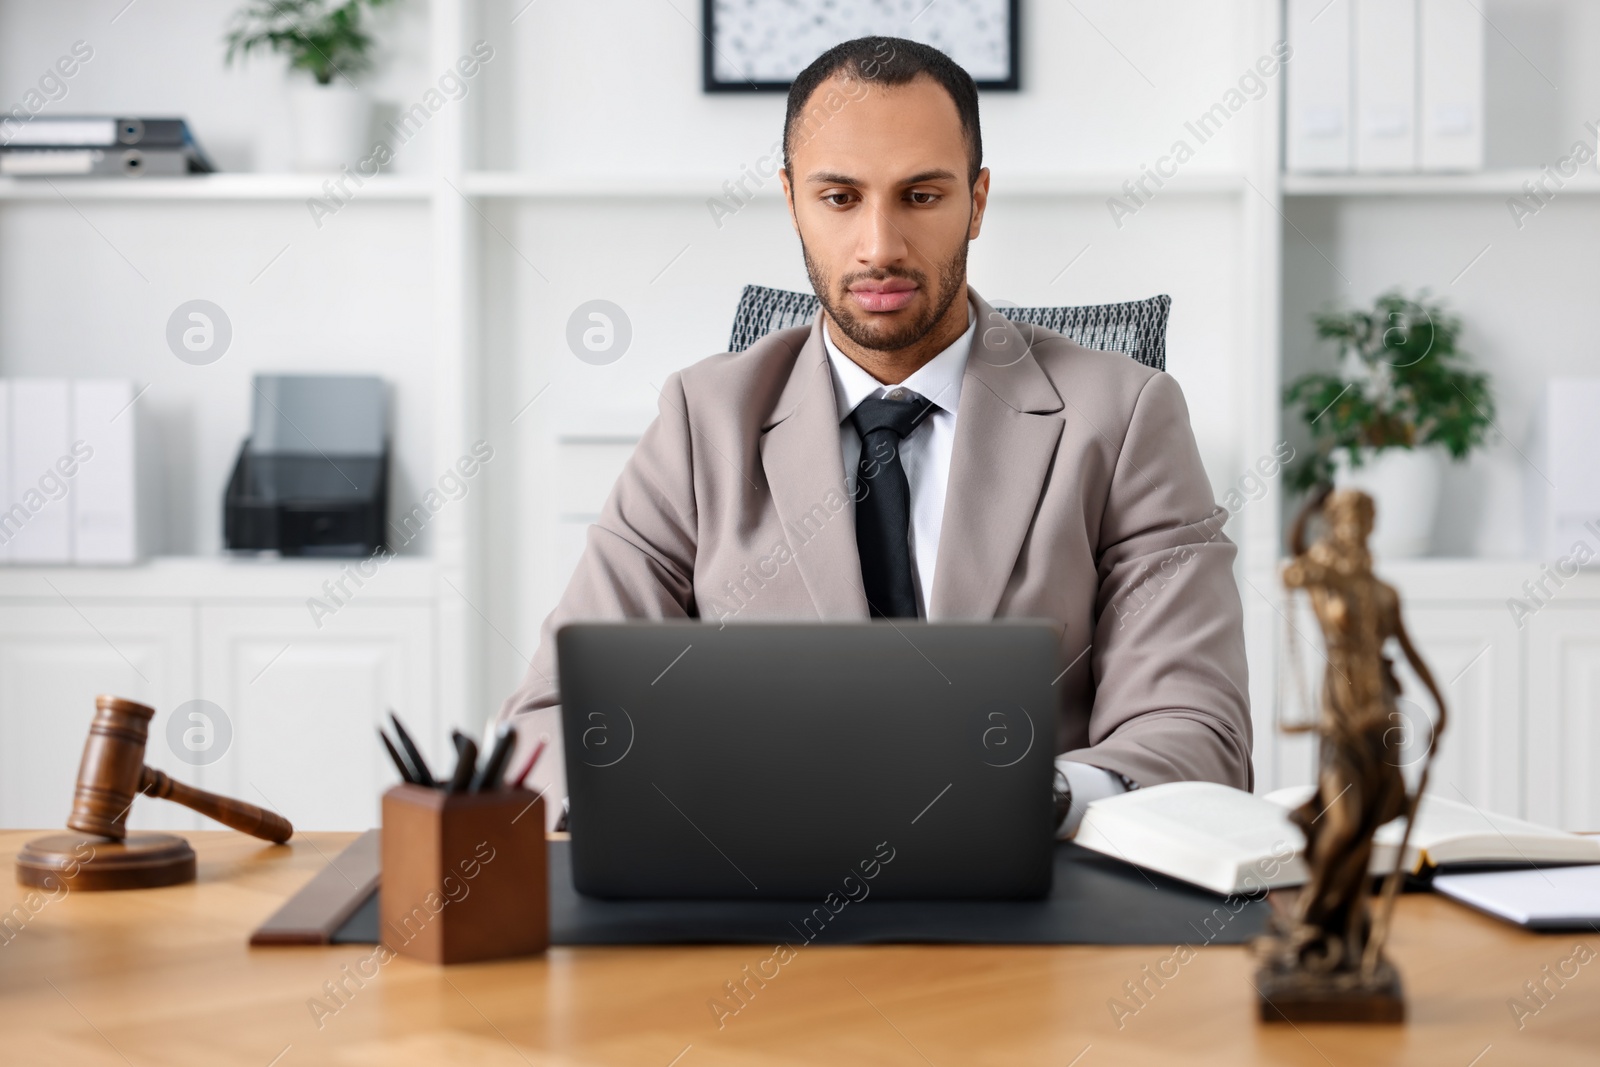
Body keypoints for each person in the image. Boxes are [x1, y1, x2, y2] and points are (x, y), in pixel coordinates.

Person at [496, 36, 1251, 833]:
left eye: (921, 196)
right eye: (840, 198)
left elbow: (1197, 732)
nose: (881, 247)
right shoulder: (701, 419)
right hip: (760, 895)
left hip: (1036, 895)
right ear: (791, 201)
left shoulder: (1127, 416)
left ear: (978, 201)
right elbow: (549, 718)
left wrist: (1029, 797)